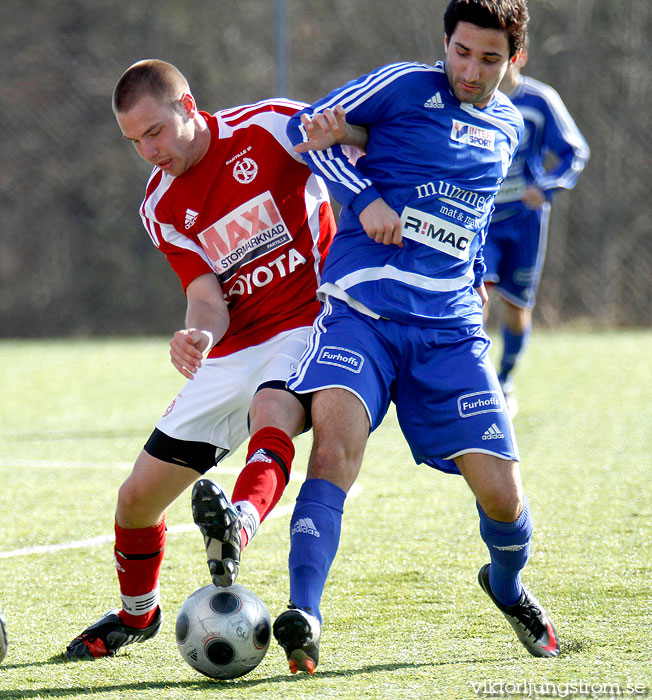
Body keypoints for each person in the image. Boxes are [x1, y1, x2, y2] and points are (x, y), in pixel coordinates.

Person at [270, 0, 560, 675]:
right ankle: (304, 614)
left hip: (450, 332)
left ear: (513, 60)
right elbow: (299, 130)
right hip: (362, 313)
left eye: (489, 59)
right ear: (446, 44)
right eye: (461, 52)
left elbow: (474, 206)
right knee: (335, 451)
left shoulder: (509, 124)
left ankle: (508, 586)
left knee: (504, 500)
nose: (470, 69)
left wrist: (477, 269)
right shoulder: (403, 84)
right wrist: (364, 196)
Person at [64, 59, 336, 659]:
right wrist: (198, 335)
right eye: (134, 141)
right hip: (234, 347)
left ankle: (237, 522)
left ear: (189, 105)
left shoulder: (271, 127)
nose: (148, 151)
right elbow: (206, 295)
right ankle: (139, 615)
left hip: (310, 323)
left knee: (273, 411)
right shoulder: (159, 205)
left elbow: (352, 154)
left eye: (155, 131)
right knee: (135, 500)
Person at [483, 43, 590, 417]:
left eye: (496, 57)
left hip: (524, 222)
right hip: (480, 222)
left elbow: (574, 152)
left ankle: (506, 380)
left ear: (518, 58)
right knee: (475, 299)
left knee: (515, 308)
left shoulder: (539, 100)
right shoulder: (472, 96)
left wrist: (545, 187)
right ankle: (474, 385)